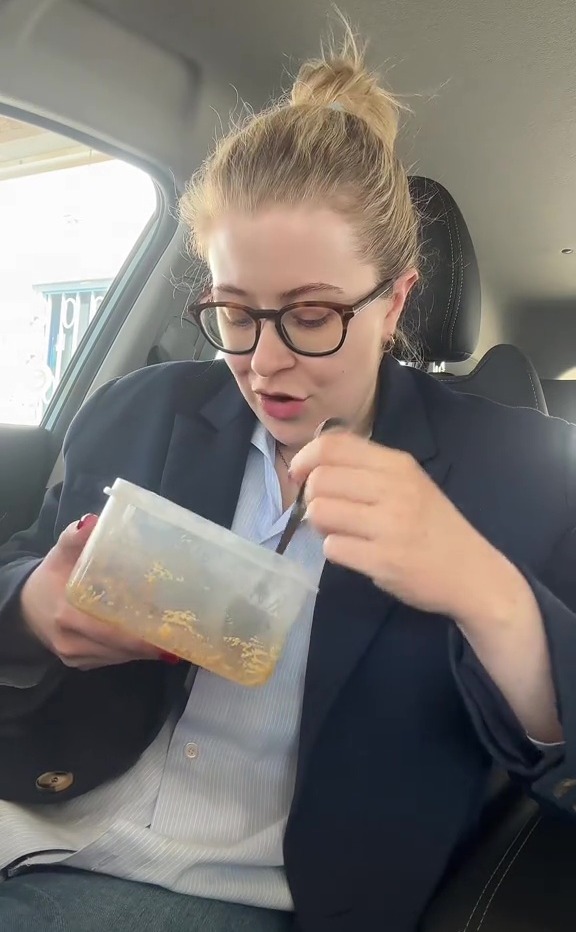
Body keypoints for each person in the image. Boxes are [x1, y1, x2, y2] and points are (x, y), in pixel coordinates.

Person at [1, 25, 576, 932]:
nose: (265, 364)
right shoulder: (138, 412)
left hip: (252, 885)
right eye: (233, 313)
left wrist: (485, 589)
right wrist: (37, 607)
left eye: (312, 315)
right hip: (38, 814)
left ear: (393, 302)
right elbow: (21, 570)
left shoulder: (523, 471)